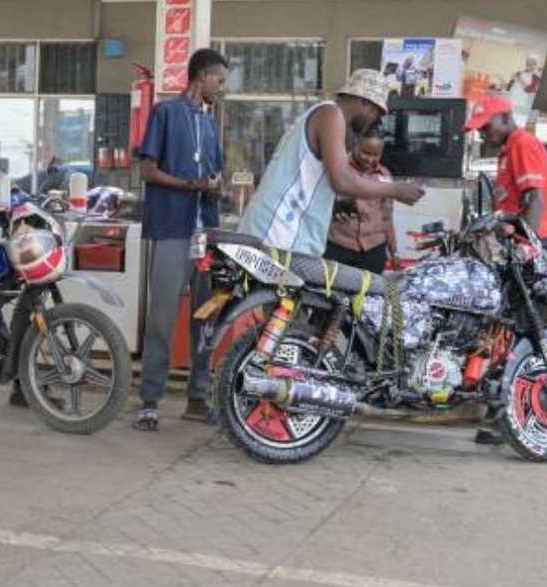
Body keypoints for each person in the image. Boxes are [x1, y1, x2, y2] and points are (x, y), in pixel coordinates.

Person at [133, 48, 228, 432]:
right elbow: (147, 170)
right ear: (201, 76)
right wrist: (192, 185)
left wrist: (216, 190)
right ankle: (150, 402)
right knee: (162, 318)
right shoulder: (166, 113)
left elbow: (216, 177)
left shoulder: (209, 125)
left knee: (204, 319)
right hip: (172, 229)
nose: (222, 89)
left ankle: (197, 397)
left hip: (203, 234)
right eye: (219, 81)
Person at [238, 69, 424, 258]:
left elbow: (314, 177)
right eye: (377, 113)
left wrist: (335, 205)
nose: (374, 121)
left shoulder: (325, 115)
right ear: (365, 102)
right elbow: (342, 180)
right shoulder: (331, 114)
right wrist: (395, 189)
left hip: (282, 235)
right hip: (277, 233)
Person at [464, 94, 547, 446]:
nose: (483, 135)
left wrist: (525, 249)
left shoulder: (523, 144)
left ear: (505, 118)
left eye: (486, 127)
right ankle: (503, 416)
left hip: (530, 253)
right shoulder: (507, 151)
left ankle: (519, 419)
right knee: (506, 332)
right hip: (518, 251)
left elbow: (536, 199)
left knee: (524, 332)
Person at [325, 127, 399, 274]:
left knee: (369, 295)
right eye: (365, 152)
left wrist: (394, 253)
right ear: (355, 144)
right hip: (339, 248)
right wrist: (333, 207)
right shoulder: (336, 169)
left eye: (376, 155)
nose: (370, 159)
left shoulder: (385, 176)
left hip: (374, 252)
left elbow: (387, 218)